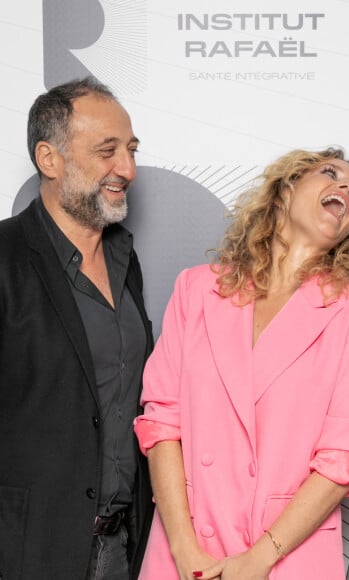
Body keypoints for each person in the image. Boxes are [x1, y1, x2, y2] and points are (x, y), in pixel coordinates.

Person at [134, 147, 349, 580]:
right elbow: (162, 422)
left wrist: (260, 558)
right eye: (330, 174)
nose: (347, 189)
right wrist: (184, 549)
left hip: (286, 558)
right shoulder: (197, 289)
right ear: (284, 192)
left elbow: (346, 457)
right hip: (184, 550)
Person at [0, 78, 154, 579]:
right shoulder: (4, 257)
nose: (127, 169)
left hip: (121, 549)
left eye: (130, 150)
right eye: (107, 151)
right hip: (26, 552)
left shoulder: (125, 263)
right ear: (49, 159)